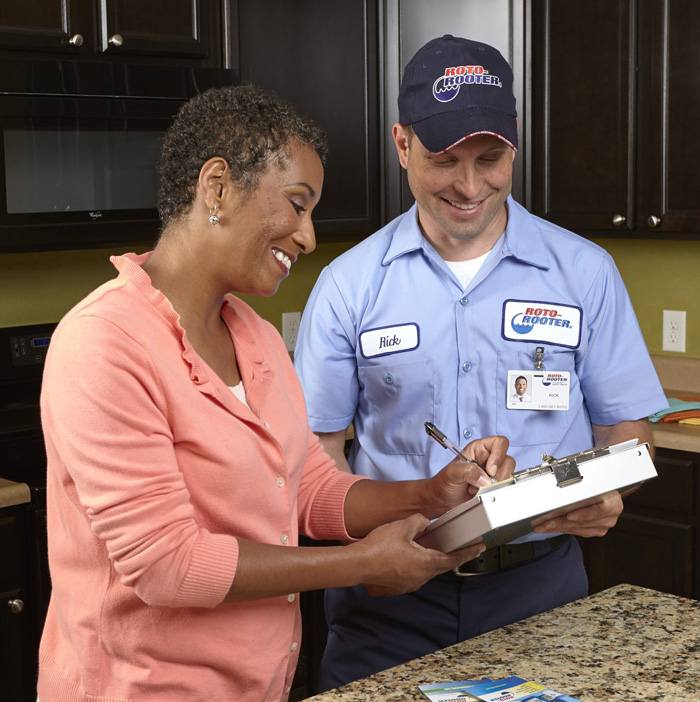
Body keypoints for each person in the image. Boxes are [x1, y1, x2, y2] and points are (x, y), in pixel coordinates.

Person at [37, 84, 516, 702]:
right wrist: (363, 565)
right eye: (296, 204)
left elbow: (308, 490)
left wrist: (430, 494)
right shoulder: (104, 343)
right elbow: (166, 565)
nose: (309, 237)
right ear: (217, 187)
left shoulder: (255, 338)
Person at [294, 35, 667, 690]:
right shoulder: (347, 286)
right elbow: (312, 458)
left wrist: (612, 490)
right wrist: (359, 557)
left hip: (543, 592)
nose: (469, 186)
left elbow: (627, 432)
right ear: (402, 143)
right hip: (387, 603)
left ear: (515, 146)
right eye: (444, 159)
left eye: (490, 158)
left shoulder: (585, 273)